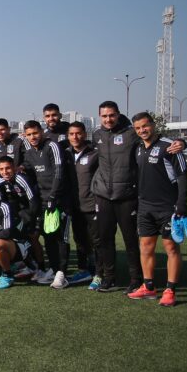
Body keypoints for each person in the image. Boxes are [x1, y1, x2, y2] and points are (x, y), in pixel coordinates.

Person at [92, 100, 185, 293]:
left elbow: (156, 140)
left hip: (127, 195)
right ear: (100, 117)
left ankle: (136, 279)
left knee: (131, 240)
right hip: (103, 195)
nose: (108, 119)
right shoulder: (97, 135)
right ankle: (109, 278)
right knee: (105, 239)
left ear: (118, 114)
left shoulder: (131, 133)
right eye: (104, 116)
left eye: (111, 115)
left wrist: (182, 143)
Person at [128, 112, 187, 307]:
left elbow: (182, 176)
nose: (142, 131)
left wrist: (181, 203)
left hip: (167, 207)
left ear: (153, 125)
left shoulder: (169, 146)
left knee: (171, 247)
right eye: (137, 128)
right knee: (145, 247)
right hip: (145, 206)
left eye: (145, 126)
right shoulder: (137, 148)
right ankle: (149, 287)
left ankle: (170, 290)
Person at [22, 120, 70, 288]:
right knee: (47, 236)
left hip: (59, 200)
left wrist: (53, 197)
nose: (33, 137)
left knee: (60, 237)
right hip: (43, 200)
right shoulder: (29, 152)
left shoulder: (52, 146)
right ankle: (54, 269)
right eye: (29, 135)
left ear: (41, 132)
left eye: (35, 133)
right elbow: (27, 169)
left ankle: (62, 274)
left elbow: (59, 172)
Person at [64, 122, 100, 288]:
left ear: (85, 134)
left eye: (78, 133)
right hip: (74, 205)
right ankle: (84, 270)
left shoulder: (95, 153)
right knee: (80, 240)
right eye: (71, 134)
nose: (75, 137)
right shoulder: (66, 154)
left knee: (97, 240)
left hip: (93, 204)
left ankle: (100, 274)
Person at [0, 156, 39, 280]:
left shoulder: (21, 179)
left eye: (8, 168)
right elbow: (3, 202)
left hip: (32, 211)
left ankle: (40, 268)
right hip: (18, 213)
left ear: (14, 167)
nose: (5, 172)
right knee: (17, 236)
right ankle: (28, 265)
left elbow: (33, 201)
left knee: (32, 238)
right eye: (1, 169)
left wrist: (31, 220)